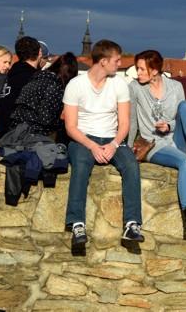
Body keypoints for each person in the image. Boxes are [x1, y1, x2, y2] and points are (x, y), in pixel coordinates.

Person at [63, 39, 144, 247]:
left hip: (112, 138)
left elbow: (124, 123)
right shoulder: (76, 85)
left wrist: (114, 144)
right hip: (83, 138)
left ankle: (132, 225)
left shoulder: (119, 83)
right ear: (103, 61)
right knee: (80, 165)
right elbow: (71, 127)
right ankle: (77, 223)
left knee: (131, 166)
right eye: (116, 61)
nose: (120, 64)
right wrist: (91, 146)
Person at [128, 50, 186, 238]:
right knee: (185, 163)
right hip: (154, 145)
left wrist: (169, 125)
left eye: (141, 69)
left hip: (176, 139)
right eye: (137, 69)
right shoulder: (135, 87)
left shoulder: (175, 86)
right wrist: (128, 147)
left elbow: (182, 117)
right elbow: (132, 120)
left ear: (154, 70)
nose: (137, 73)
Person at [8, 52, 79, 139]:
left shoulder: (38, 77)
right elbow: (46, 119)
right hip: (33, 133)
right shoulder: (54, 85)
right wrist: (63, 121)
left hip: (15, 128)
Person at [0, 36, 43, 139]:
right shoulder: (35, 78)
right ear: (39, 52)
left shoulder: (11, 74)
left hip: (3, 132)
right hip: (20, 136)